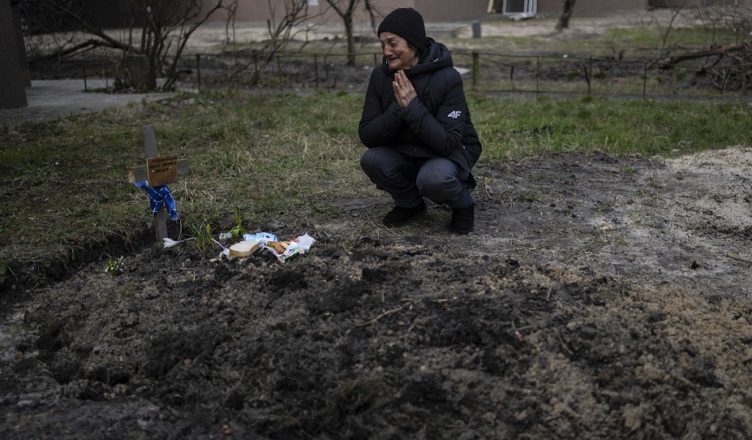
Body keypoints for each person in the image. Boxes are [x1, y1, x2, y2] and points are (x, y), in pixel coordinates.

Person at [359, 7, 482, 234]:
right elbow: (367, 134)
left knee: (433, 178)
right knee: (373, 160)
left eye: (393, 43)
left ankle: (463, 204)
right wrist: (399, 109)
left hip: (448, 153)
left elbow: (448, 142)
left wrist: (412, 107)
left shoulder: (448, 78)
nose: (386, 51)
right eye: (382, 44)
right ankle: (410, 204)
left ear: (413, 43)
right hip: (406, 150)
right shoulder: (380, 76)